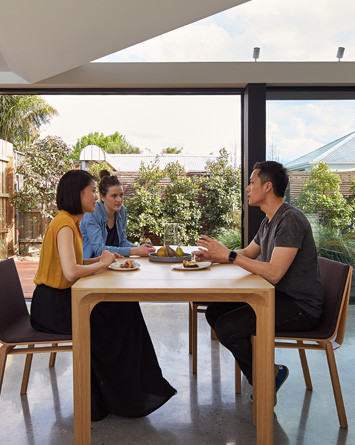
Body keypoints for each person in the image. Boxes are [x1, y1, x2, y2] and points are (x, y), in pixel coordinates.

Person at [30, 169, 176, 421]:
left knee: (125, 307)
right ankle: (124, 395)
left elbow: (77, 262)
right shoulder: (64, 225)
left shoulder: (69, 222)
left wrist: (100, 259)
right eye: (90, 192)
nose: (93, 198)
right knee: (117, 316)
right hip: (54, 307)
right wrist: (102, 264)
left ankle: (128, 393)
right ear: (77, 195)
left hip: (61, 299)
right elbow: (72, 271)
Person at [193, 160, 323, 400]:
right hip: (278, 297)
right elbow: (249, 253)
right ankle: (267, 373)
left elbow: (273, 273)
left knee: (227, 328)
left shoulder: (290, 219)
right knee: (214, 313)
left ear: (267, 187)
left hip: (300, 307)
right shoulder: (269, 220)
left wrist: (228, 255)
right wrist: (214, 257)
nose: (247, 188)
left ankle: (264, 382)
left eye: (252, 182)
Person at [81, 170, 155, 259]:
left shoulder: (121, 211)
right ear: (102, 197)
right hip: (92, 266)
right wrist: (135, 251)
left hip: (113, 263)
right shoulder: (92, 213)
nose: (119, 200)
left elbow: (122, 243)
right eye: (114, 196)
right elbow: (99, 250)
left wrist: (142, 248)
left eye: (121, 195)